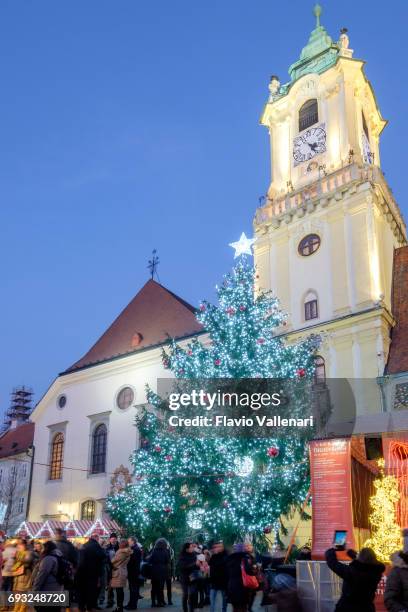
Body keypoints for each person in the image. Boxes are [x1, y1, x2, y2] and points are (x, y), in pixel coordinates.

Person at [325, 547, 385, 612]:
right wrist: (353, 555)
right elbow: (365, 565)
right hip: (366, 607)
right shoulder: (376, 572)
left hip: (347, 608)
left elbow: (333, 564)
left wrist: (331, 551)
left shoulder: (352, 572)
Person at [75, 533, 106, 612]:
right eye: (98, 537)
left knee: (82, 590)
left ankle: (81, 607)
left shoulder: (84, 545)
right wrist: (102, 548)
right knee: (91, 591)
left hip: (81, 572)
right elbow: (102, 556)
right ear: (95, 537)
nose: (99, 539)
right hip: (92, 572)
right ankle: (89, 607)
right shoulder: (96, 546)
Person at [32, 540, 63, 612]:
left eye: (42, 548)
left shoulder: (48, 559)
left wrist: (34, 591)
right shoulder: (59, 556)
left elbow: (41, 576)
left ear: (46, 548)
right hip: (57, 590)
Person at [226, 542, 258, 612]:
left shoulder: (229, 559)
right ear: (243, 549)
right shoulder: (246, 558)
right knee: (243, 608)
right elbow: (250, 571)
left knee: (235, 608)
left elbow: (226, 573)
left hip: (232, 587)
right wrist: (256, 568)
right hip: (243, 587)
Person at [147, 538, 171, 608]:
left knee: (154, 588)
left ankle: (153, 602)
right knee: (160, 588)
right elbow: (167, 561)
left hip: (154, 571)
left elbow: (150, 560)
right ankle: (160, 602)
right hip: (163, 571)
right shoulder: (166, 551)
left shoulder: (154, 551)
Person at [12, 539, 34, 612]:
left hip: (25, 575)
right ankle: (17, 607)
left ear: (24, 545)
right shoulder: (18, 553)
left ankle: (22, 608)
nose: (18, 546)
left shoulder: (29, 553)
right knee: (17, 592)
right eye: (18, 544)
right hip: (17, 575)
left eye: (20, 544)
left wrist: (18, 558)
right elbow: (14, 562)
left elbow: (27, 561)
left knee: (23, 592)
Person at [110, 539, 131, 612]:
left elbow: (113, 561)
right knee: (120, 590)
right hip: (123, 571)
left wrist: (111, 560)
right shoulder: (128, 552)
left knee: (119, 591)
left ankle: (119, 608)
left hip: (118, 572)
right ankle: (120, 607)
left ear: (121, 545)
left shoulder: (121, 552)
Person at [178, 542, 200, 612]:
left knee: (192, 594)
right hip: (184, 577)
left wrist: (200, 565)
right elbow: (183, 567)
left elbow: (196, 566)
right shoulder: (182, 556)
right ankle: (185, 610)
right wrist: (194, 564)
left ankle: (191, 609)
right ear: (186, 549)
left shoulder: (194, 555)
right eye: (191, 547)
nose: (193, 548)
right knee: (185, 594)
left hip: (193, 577)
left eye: (193, 547)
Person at [209, 541, 228, 612]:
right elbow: (210, 565)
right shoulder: (214, 556)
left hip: (223, 582)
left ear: (223, 547)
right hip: (214, 581)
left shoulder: (226, 556)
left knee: (224, 600)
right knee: (212, 600)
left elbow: (221, 565)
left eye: (220, 546)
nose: (218, 548)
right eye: (216, 547)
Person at [125, 537, 142, 610]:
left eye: (129, 541)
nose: (128, 542)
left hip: (134, 572)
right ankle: (130, 604)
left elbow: (132, 561)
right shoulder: (134, 548)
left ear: (133, 541)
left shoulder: (135, 549)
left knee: (133, 589)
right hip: (133, 572)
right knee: (132, 589)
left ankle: (133, 605)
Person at [106, 533, 119, 608]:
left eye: (115, 538)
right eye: (112, 538)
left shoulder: (119, 547)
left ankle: (118, 603)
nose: (113, 540)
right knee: (110, 587)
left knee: (118, 587)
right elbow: (106, 558)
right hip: (110, 569)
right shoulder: (107, 548)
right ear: (110, 539)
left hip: (118, 569)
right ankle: (110, 601)